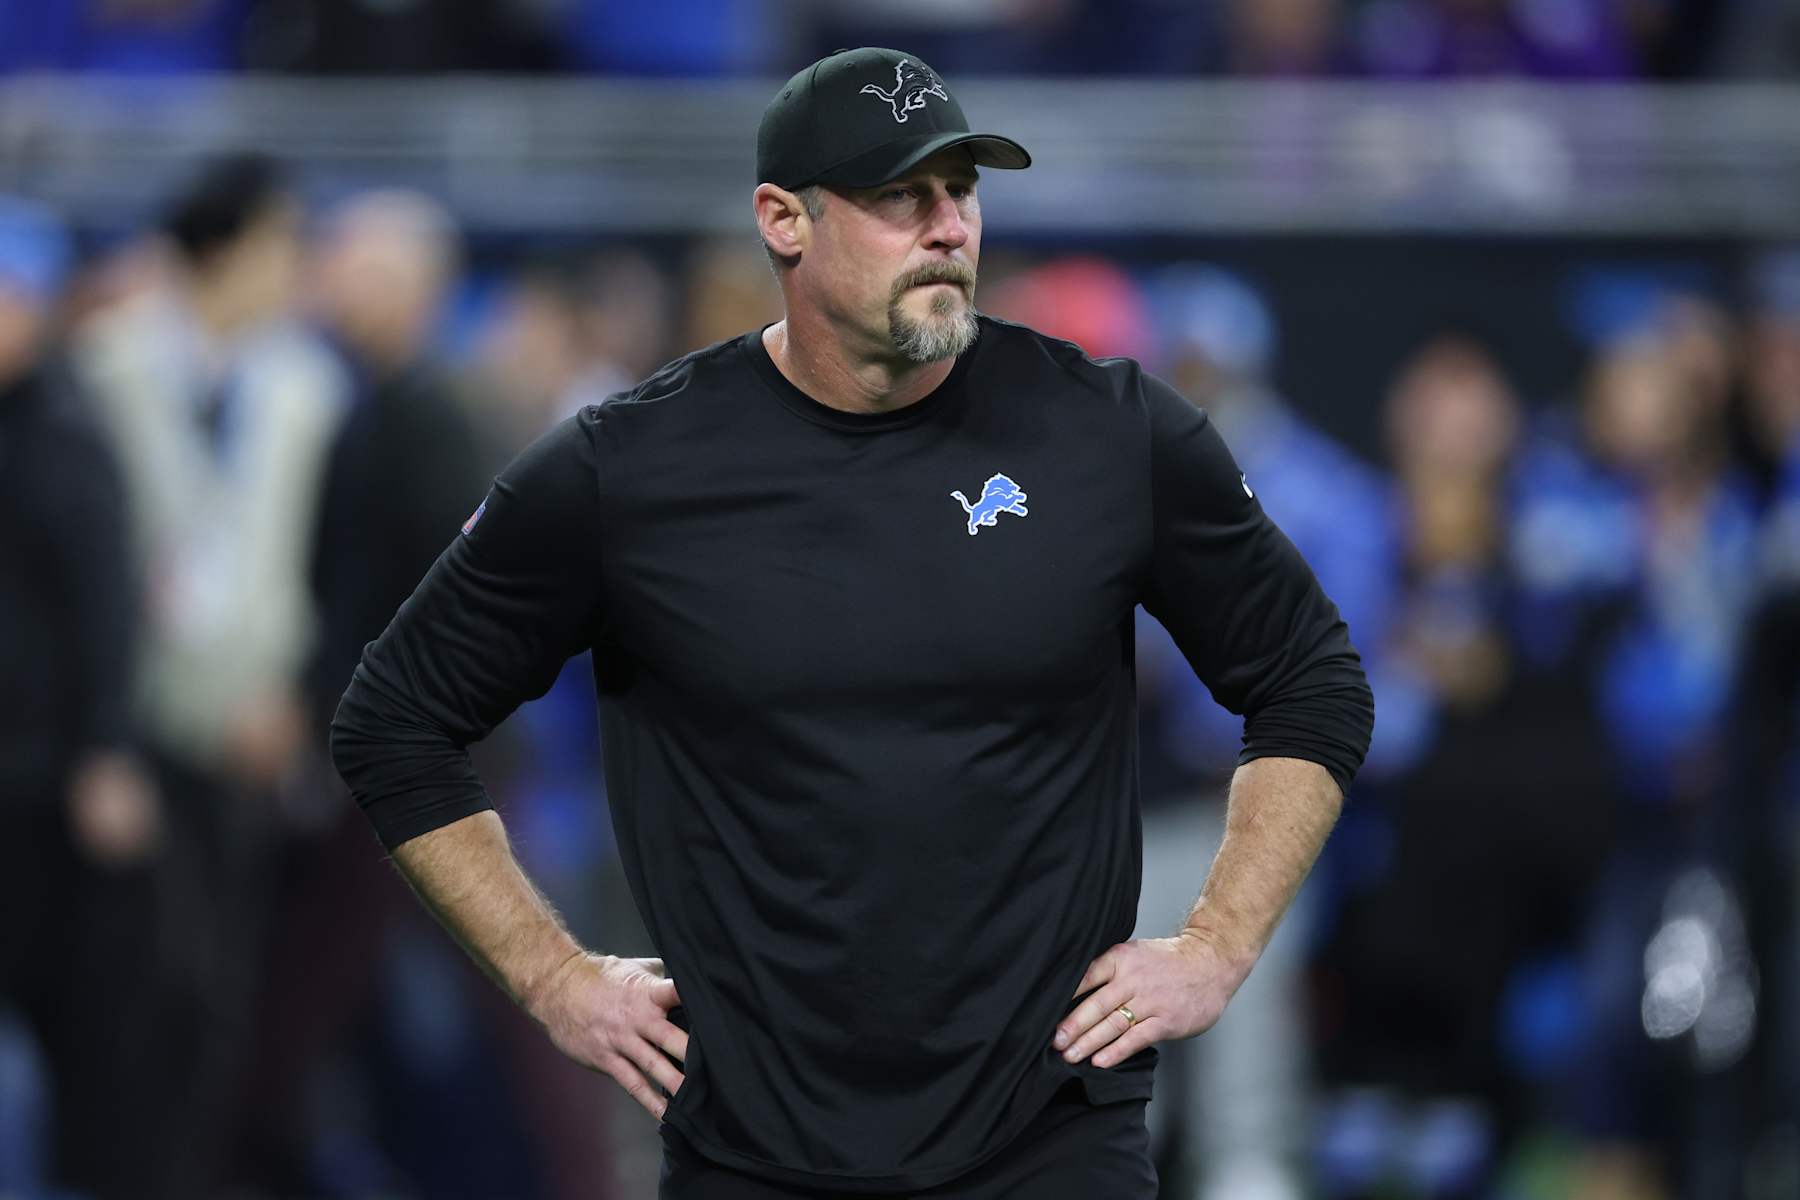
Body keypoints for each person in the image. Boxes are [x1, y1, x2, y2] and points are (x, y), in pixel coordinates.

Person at [332, 47, 1374, 1198]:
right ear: (784, 220)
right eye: (900, 197)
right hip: (752, 1153)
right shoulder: (627, 472)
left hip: (1050, 1140)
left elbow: (1313, 680)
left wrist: (1218, 944)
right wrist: (553, 977)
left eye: (962, 191)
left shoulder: (1110, 434)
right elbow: (393, 725)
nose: (948, 228)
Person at [0, 196, 163, 1198]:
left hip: (47, 779)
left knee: (65, 1020)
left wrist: (107, 750)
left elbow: (109, 606)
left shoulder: (65, 431)